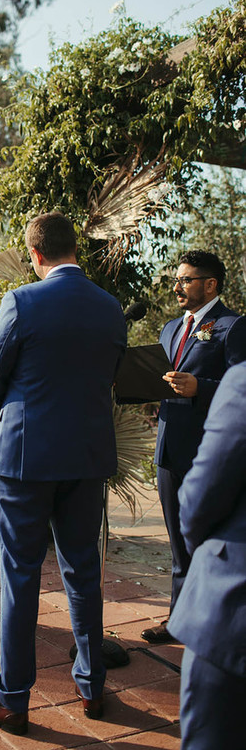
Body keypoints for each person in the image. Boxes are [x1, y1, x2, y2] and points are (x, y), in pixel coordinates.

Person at [0, 212, 127, 735]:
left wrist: (13, 421)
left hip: (26, 460)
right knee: (83, 571)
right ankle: (92, 685)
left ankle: (12, 700)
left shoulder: (22, 301)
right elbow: (108, 377)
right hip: (86, 456)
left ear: (35, 255)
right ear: (74, 248)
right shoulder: (110, 308)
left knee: (21, 575)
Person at [141, 250, 246, 644]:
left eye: (186, 279)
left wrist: (200, 387)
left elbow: (242, 389)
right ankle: (177, 620)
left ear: (211, 284)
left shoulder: (234, 327)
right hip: (168, 447)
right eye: (177, 279)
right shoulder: (169, 328)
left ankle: (217, 624)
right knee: (178, 541)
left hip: (210, 452)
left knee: (211, 540)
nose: (177, 286)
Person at [167, 360, 246, 749]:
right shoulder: (170, 329)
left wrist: (208, 559)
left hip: (234, 617)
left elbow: (198, 505)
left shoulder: (242, 383)